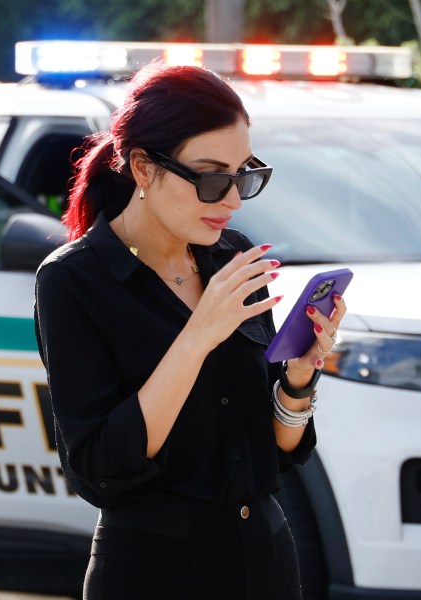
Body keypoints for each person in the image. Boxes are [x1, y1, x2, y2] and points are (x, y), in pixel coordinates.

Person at [34, 60, 347, 600]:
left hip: (264, 559)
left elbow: (276, 452)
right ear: (142, 168)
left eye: (244, 175)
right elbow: (101, 469)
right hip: (154, 570)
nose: (230, 199)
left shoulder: (234, 257)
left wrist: (298, 380)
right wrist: (197, 337)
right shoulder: (73, 281)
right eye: (210, 177)